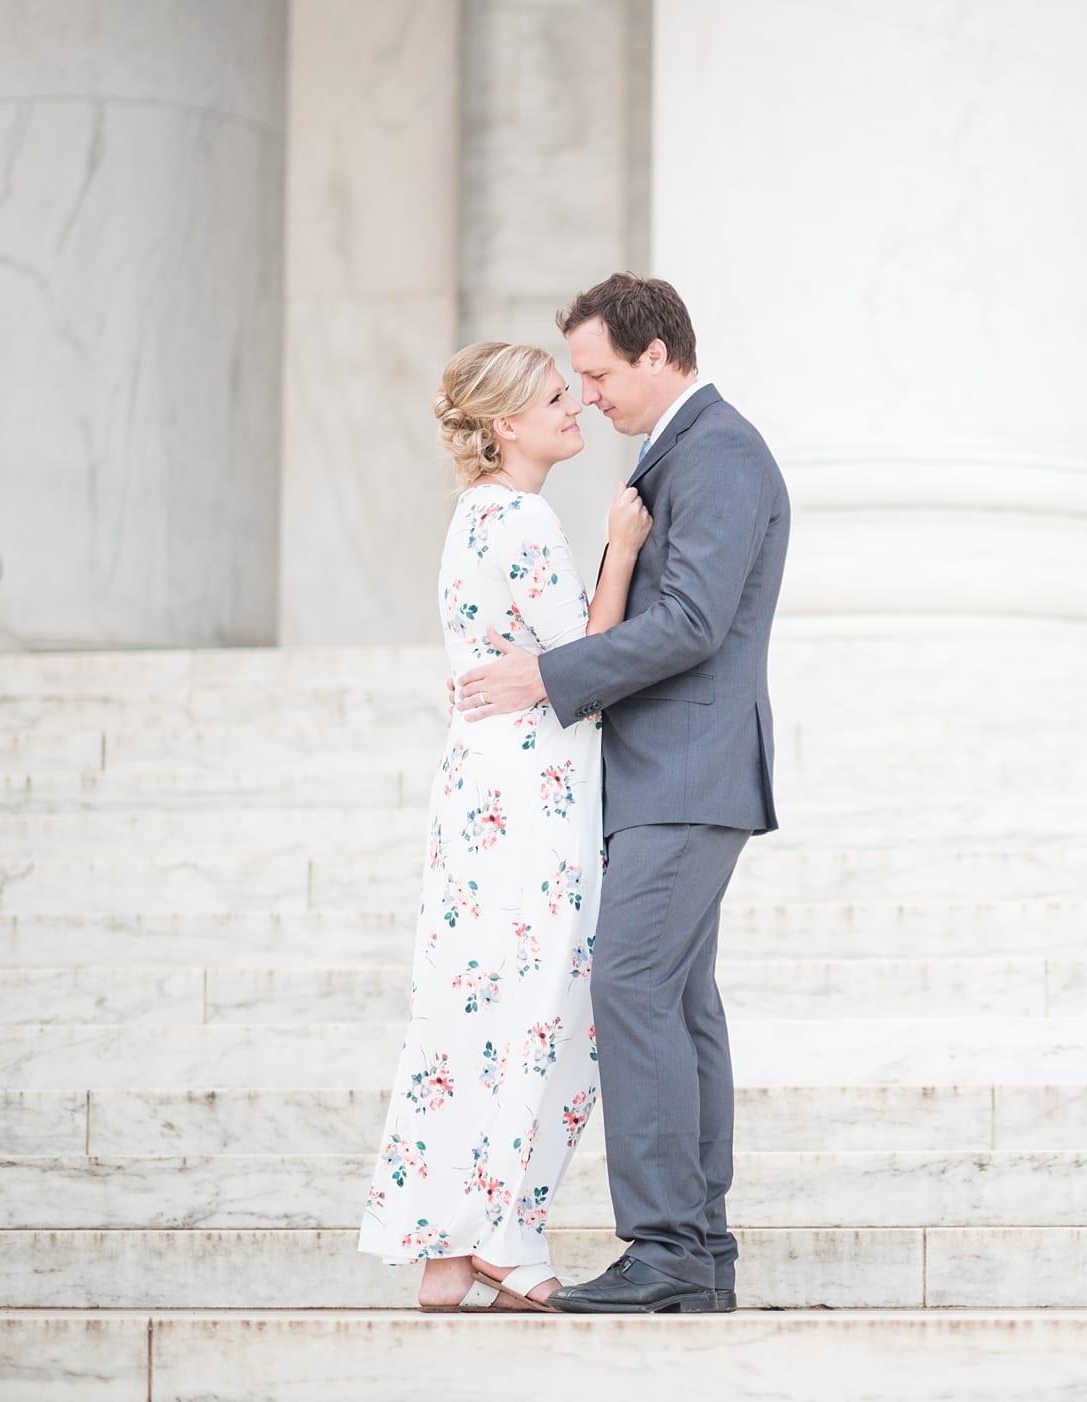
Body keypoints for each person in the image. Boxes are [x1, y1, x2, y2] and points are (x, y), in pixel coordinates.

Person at [456, 274, 791, 1314]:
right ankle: (699, 1252)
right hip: (664, 777)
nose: (588, 395)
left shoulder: (720, 451)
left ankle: (665, 1248)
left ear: (657, 355)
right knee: (680, 1005)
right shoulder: (676, 453)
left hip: (686, 777)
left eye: (597, 374)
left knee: (634, 989)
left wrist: (547, 678)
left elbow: (692, 622)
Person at [358, 340, 652, 1312]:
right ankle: (502, 1228)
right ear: (503, 425)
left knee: (469, 998)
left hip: (483, 785)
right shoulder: (522, 518)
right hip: (532, 791)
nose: (574, 404)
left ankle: (446, 1248)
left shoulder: (473, 516)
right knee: (544, 1001)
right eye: (552, 396)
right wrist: (622, 545)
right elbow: (590, 660)